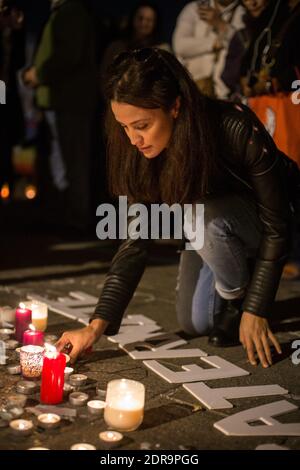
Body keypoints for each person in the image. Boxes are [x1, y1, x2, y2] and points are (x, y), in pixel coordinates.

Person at [56, 48, 300, 369]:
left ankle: (235, 297)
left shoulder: (233, 126)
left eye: (141, 125)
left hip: (261, 221)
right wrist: (95, 326)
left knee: (200, 216)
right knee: (194, 323)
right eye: (124, 127)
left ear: (174, 106)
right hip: (210, 227)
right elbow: (134, 241)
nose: (133, 139)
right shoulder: (136, 148)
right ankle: (236, 272)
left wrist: (255, 308)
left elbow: (277, 224)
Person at [172, 0, 244, 98]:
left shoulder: (242, 11)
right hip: (191, 90)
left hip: (224, 95)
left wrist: (220, 24)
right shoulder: (195, 8)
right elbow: (180, 46)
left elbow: (241, 47)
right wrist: (214, 43)